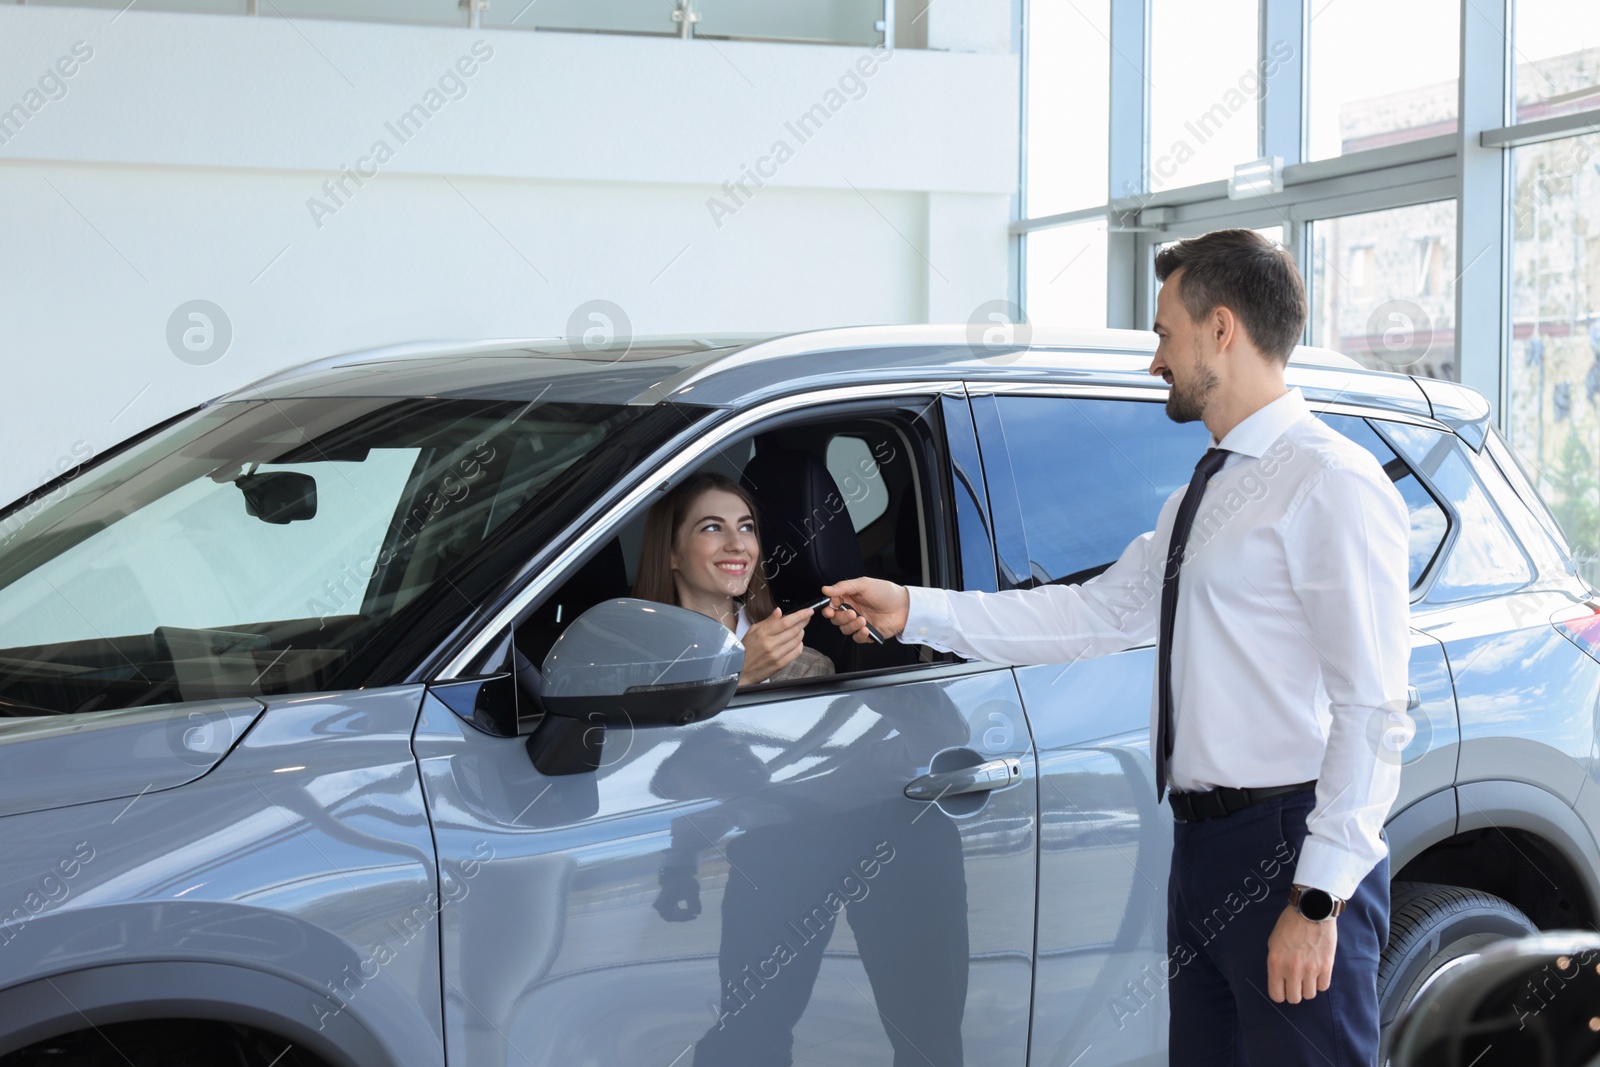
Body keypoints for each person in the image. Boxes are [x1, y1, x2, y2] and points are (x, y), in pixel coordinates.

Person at [820, 228, 1412, 1066]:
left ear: (1222, 328)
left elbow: (1374, 707)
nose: (1154, 360)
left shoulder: (1332, 482)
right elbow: (1090, 615)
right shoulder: (1199, 495)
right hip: (1202, 846)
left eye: (1164, 333)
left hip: (1290, 845)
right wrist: (911, 608)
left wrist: (1318, 899)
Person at [632, 469, 833, 686]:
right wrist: (739, 676)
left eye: (746, 527)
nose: (737, 545)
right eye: (712, 527)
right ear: (670, 552)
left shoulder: (803, 667)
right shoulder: (627, 660)